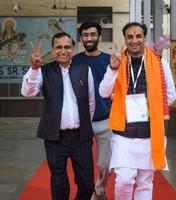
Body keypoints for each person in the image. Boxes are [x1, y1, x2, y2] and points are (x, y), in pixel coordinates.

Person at [99, 22, 176, 200]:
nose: (134, 40)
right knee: (124, 181)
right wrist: (112, 68)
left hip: (150, 133)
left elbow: (170, 95)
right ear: (125, 39)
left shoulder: (160, 63)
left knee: (145, 183)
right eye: (130, 37)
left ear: (144, 38)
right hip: (123, 134)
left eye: (138, 36)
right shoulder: (117, 61)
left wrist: (151, 107)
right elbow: (103, 92)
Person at [21, 32, 96, 200]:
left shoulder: (84, 70)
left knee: (87, 183)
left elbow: (91, 102)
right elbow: (28, 92)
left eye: (67, 47)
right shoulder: (43, 71)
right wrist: (33, 69)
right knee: (59, 183)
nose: (63, 51)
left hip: (80, 137)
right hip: (55, 138)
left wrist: (84, 124)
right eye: (59, 47)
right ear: (53, 50)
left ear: (73, 49)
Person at [73, 22, 111, 200]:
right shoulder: (75, 61)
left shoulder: (110, 60)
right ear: (81, 38)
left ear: (99, 37)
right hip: (82, 122)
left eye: (93, 34)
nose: (89, 38)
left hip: (106, 120)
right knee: (83, 163)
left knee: (106, 162)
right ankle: (86, 192)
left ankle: (100, 189)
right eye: (85, 35)